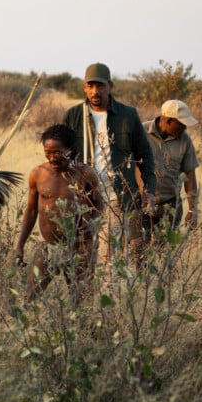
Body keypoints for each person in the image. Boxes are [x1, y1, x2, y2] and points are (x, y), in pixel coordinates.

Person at [62, 62, 156, 263]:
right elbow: (62, 155)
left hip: (116, 197)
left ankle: (107, 292)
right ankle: (88, 294)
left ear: (110, 86)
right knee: (82, 255)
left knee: (107, 254)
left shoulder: (127, 115)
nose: (96, 91)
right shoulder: (74, 115)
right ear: (84, 87)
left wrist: (149, 188)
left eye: (101, 86)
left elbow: (145, 154)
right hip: (83, 197)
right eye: (91, 86)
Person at [16, 124, 105, 306]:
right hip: (49, 245)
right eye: (47, 152)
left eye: (58, 152)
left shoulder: (85, 174)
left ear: (70, 150)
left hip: (80, 247)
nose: (52, 158)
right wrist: (20, 245)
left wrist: (91, 225)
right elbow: (31, 211)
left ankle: (84, 332)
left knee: (82, 300)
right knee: (30, 298)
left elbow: (99, 204)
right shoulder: (38, 174)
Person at [142, 99, 200, 237]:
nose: (184, 129)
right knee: (138, 250)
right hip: (140, 204)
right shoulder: (141, 132)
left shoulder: (185, 140)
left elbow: (189, 176)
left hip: (170, 206)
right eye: (181, 125)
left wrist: (192, 210)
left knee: (164, 253)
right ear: (168, 121)